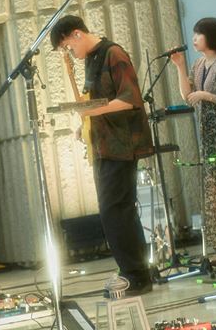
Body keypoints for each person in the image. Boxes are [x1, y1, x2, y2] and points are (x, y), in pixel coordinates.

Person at [52, 15, 156, 295]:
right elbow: (94, 101)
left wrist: (92, 112)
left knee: (116, 211)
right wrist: (85, 123)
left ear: (77, 34)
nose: (70, 53)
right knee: (117, 211)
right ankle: (134, 272)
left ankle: (136, 275)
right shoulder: (91, 59)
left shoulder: (114, 54)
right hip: (104, 145)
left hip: (121, 145)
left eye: (68, 46)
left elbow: (130, 99)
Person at [170, 17, 216, 264]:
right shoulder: (199, 64)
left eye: (198, 34)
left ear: (211, 36)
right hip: (207, 135)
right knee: (215, 190)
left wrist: (204, 94)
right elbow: (187, 95)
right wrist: (180, 67)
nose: (194, 39)